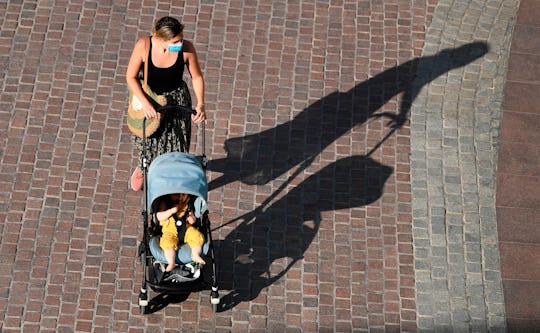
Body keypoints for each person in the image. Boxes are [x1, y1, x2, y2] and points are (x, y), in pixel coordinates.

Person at [126, 16, 206, 191]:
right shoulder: (143, 46)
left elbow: (197, 77)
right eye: (175, 41)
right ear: (160, 38)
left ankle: (173, 176)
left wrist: (200, 104)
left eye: (181, 39)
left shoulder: (186, 49)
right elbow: (131, 77)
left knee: (177, 141)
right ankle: (143, 166)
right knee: (148, 139)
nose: (180, 43)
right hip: (151, 98)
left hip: (177, 101)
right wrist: (145, 103)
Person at [155, 193, 206, 274]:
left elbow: (192, 217)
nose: (180, 197)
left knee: (197, 236)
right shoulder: (165, 203)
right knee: (167, 243)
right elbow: (159, 216)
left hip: (186, 230)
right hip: (170, 232)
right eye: (177, 194)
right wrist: (170, 211)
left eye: (184, 195)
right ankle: (171, 262)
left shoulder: (187, 204)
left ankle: (195, 254)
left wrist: (192, 219)